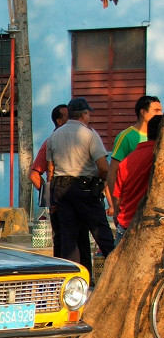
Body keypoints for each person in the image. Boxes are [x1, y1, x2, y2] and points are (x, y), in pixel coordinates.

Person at [46, 97, 114, 264]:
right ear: (84, 115)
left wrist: (51, 198)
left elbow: (50, 169)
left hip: (61, 190)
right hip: (84, 188)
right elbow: (104, 167)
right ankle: (116, 268)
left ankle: (75, 280)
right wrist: (103, 181)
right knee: (101, 233)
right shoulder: (89, 134)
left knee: (70, 239)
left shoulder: (54, 136)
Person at [28, 105, 92, 275]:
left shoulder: (79, 140)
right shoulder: (52, 141)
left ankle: (85, 278)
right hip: (61, 203)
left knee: (82, 240)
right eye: (67, 116)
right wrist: (51, 199)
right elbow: (34, 175)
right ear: (59, 121)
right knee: (65, 243)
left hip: (79, 199)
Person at [107, 95, 162, 231]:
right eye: (156, 110)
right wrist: (114, 205)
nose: (160, 114)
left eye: (160, 110)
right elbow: (113, 172)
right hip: (131, 209)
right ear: (143, 112)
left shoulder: (161, 136)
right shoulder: (126, 137)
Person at [113, 114, 162, 244]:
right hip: (150, 228)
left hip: (125, 228)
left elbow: (117, 199)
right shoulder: (157, 159)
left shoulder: (126, 161)